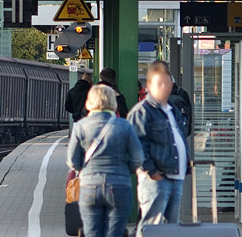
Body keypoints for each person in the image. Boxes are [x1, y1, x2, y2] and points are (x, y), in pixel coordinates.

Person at [68, 85, 144, 237]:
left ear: (89, 102)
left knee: (92, 233)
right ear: (113, 102)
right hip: (119, 186)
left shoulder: (80, 127)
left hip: (89, 187)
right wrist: (124, 170)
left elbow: (73, 161)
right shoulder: (125, 126)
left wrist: (86, 170)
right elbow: (138, 159)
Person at [127, 61, 189, 237]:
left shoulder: (173, 110)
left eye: (167, 83)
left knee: (172, 229)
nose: (164, 87)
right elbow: (136, 146)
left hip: (176, 177)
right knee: (150, 226)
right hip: (155, 179)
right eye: (159, 83)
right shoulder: (142, 112)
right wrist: (153, 172)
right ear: (149, 86)